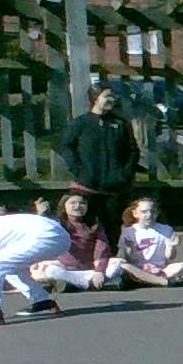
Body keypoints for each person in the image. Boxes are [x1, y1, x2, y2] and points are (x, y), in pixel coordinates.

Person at [56, 83, 141, 244]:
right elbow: (66, 147)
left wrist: (125, 173)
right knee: (83, 228)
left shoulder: (120, 124)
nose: (112, 99)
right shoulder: (81, 123)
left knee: (112, 230)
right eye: (107, 96)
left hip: (115, 188)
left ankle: (110, 258)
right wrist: (80, 171)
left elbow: (133, 150)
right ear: (95, 98)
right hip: (88, 187)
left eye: (112, 96)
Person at [29, 190, 112, 291]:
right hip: (65, 270)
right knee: (51, 270)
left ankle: (73, 285)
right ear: (64, 206)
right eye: (73, 203)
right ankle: (86, 284)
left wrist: (99, 271)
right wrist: (41, 215)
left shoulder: (94, 227)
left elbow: (103, 250)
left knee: (117, 267)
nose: (77, 206)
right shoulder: (57, 224)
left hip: (89, 271)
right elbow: (40, 234)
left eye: (82, 203)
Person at [106, 195, 183, 287]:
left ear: (157, 213)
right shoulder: (128, 231)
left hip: (160, 270)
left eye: (152, 212)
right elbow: (126, 258)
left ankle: (146, 281)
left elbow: (170, 257)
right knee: (117, 263)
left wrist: (171, 246)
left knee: (182, 266)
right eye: (144, 212)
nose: (149, 215)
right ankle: (158, 281)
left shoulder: (166, 230)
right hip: (137, 270)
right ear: (135, 213)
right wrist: (128, 249)